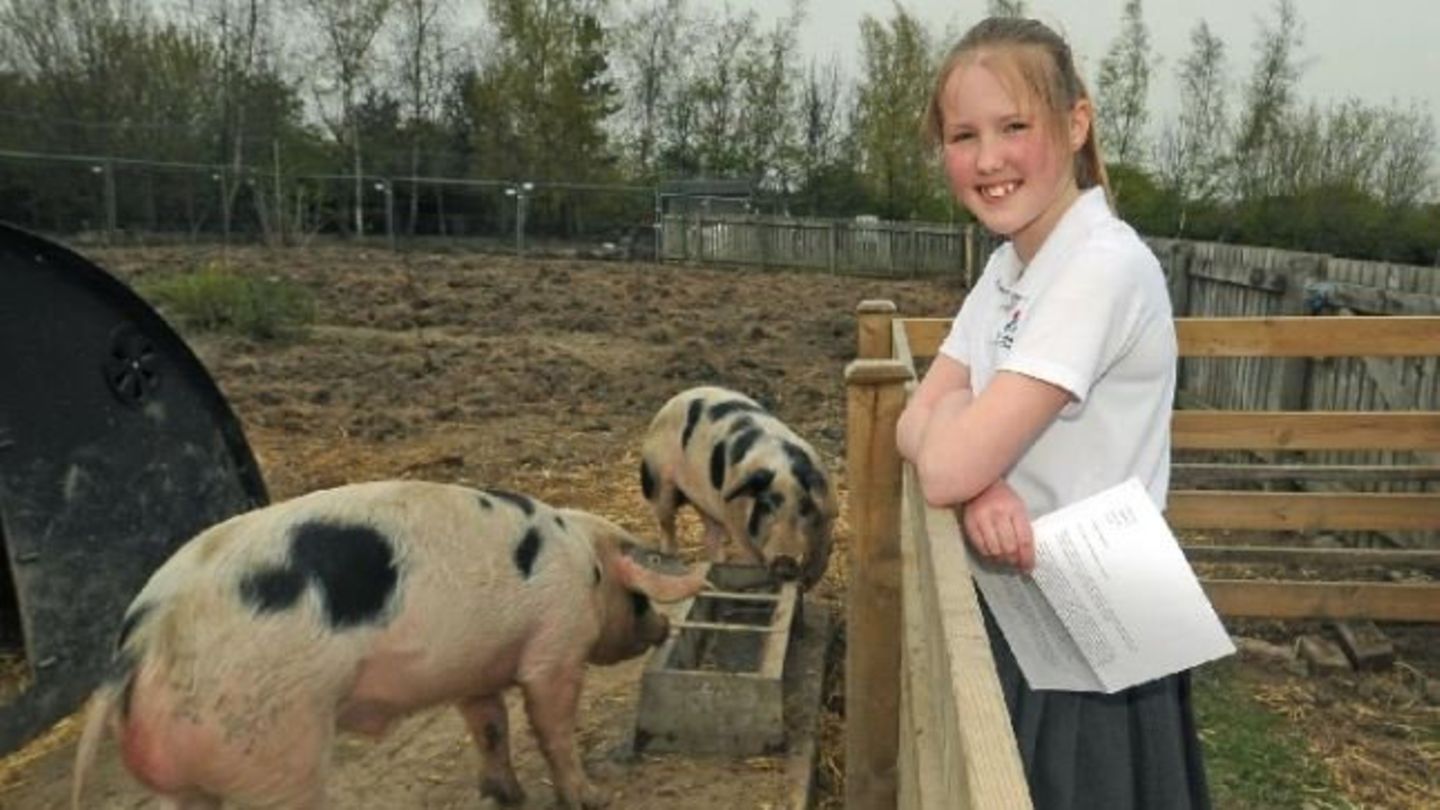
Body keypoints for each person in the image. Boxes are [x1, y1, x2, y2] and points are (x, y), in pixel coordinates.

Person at [894, 16, 1210, 810]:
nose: (988, 158)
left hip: (1102, 613)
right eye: (963, 135)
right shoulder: (1008, 269)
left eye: (1013, 127)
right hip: (1035, 595)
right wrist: (981, 484)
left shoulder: (1099, 267)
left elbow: (942, 456)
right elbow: (913, 419)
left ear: (1076, 123)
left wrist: (968, 467)